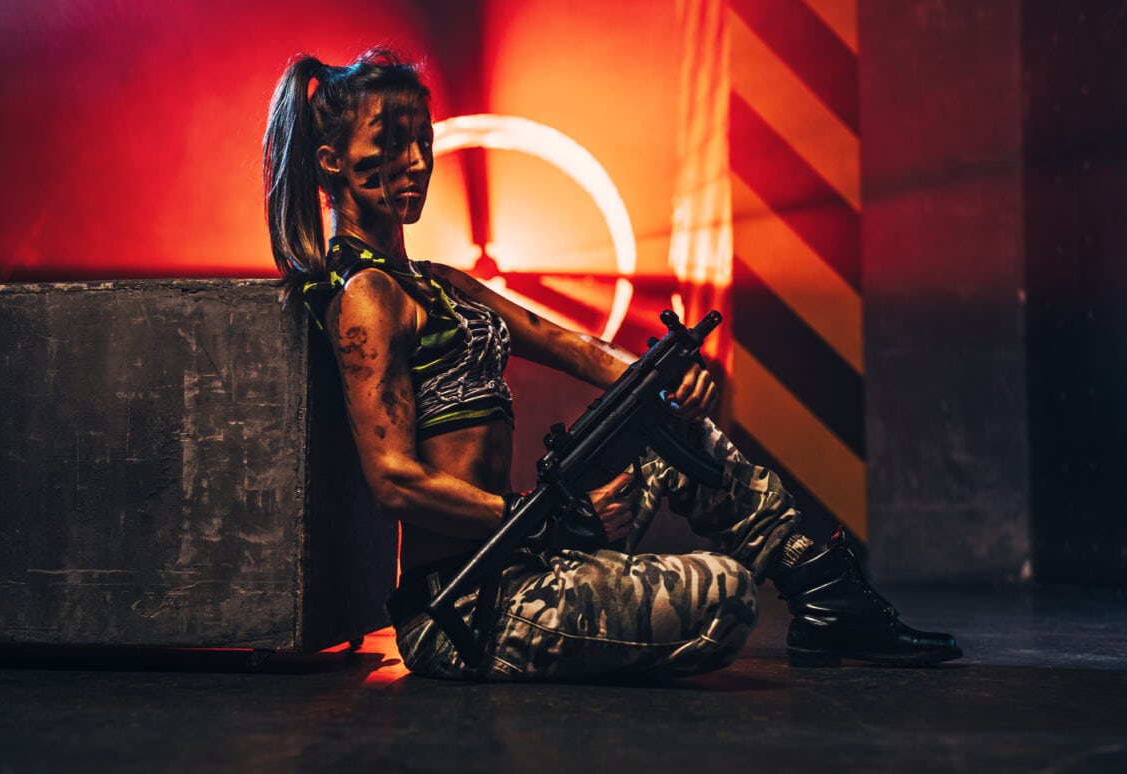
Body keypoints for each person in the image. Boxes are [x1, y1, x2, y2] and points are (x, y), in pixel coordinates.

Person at [262, 48, 961, 680]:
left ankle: (827, 594)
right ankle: (803, 599)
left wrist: (664, 375)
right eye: (391, 143)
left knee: (660, 425)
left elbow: (566, 343)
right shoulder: (367, 299)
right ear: (331, 161)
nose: (417, 161)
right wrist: (549, 519)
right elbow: (394, 481)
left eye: (424, 140)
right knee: (727, 596)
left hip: (523, 554)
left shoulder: (439, 283)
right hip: (464, 606)